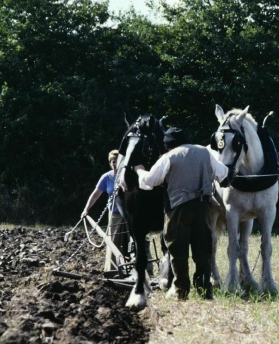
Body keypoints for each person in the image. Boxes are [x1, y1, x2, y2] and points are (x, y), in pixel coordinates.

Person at [133, 127, 230, 300]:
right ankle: (204, 290)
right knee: (203, 248)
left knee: (177, 249)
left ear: (168, 145)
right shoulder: (204, 152)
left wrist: (139, 170)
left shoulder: (168, 157)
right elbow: (224, 175)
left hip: (177, 208)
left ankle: (181, 290)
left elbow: (149, 182)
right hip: (202, 207)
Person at [81, 149, 128, 263]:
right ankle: (113, 268)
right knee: (113, 242)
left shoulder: (128, 175)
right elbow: (95, 195)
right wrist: (86, 209)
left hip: (129, 214)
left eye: (117, 161)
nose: (115, 164)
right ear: (110, 163)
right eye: (113, 162)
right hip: (115, 214)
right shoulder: (106, 177)